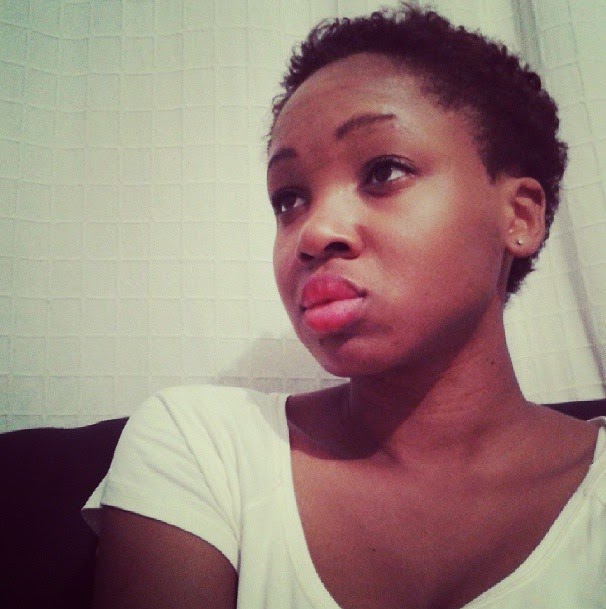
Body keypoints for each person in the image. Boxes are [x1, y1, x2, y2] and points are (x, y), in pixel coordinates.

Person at [85, 4, 606, 608]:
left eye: (384, 171)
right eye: (289, 199)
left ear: (518, 216)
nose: (313, 233)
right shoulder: (203, 447)